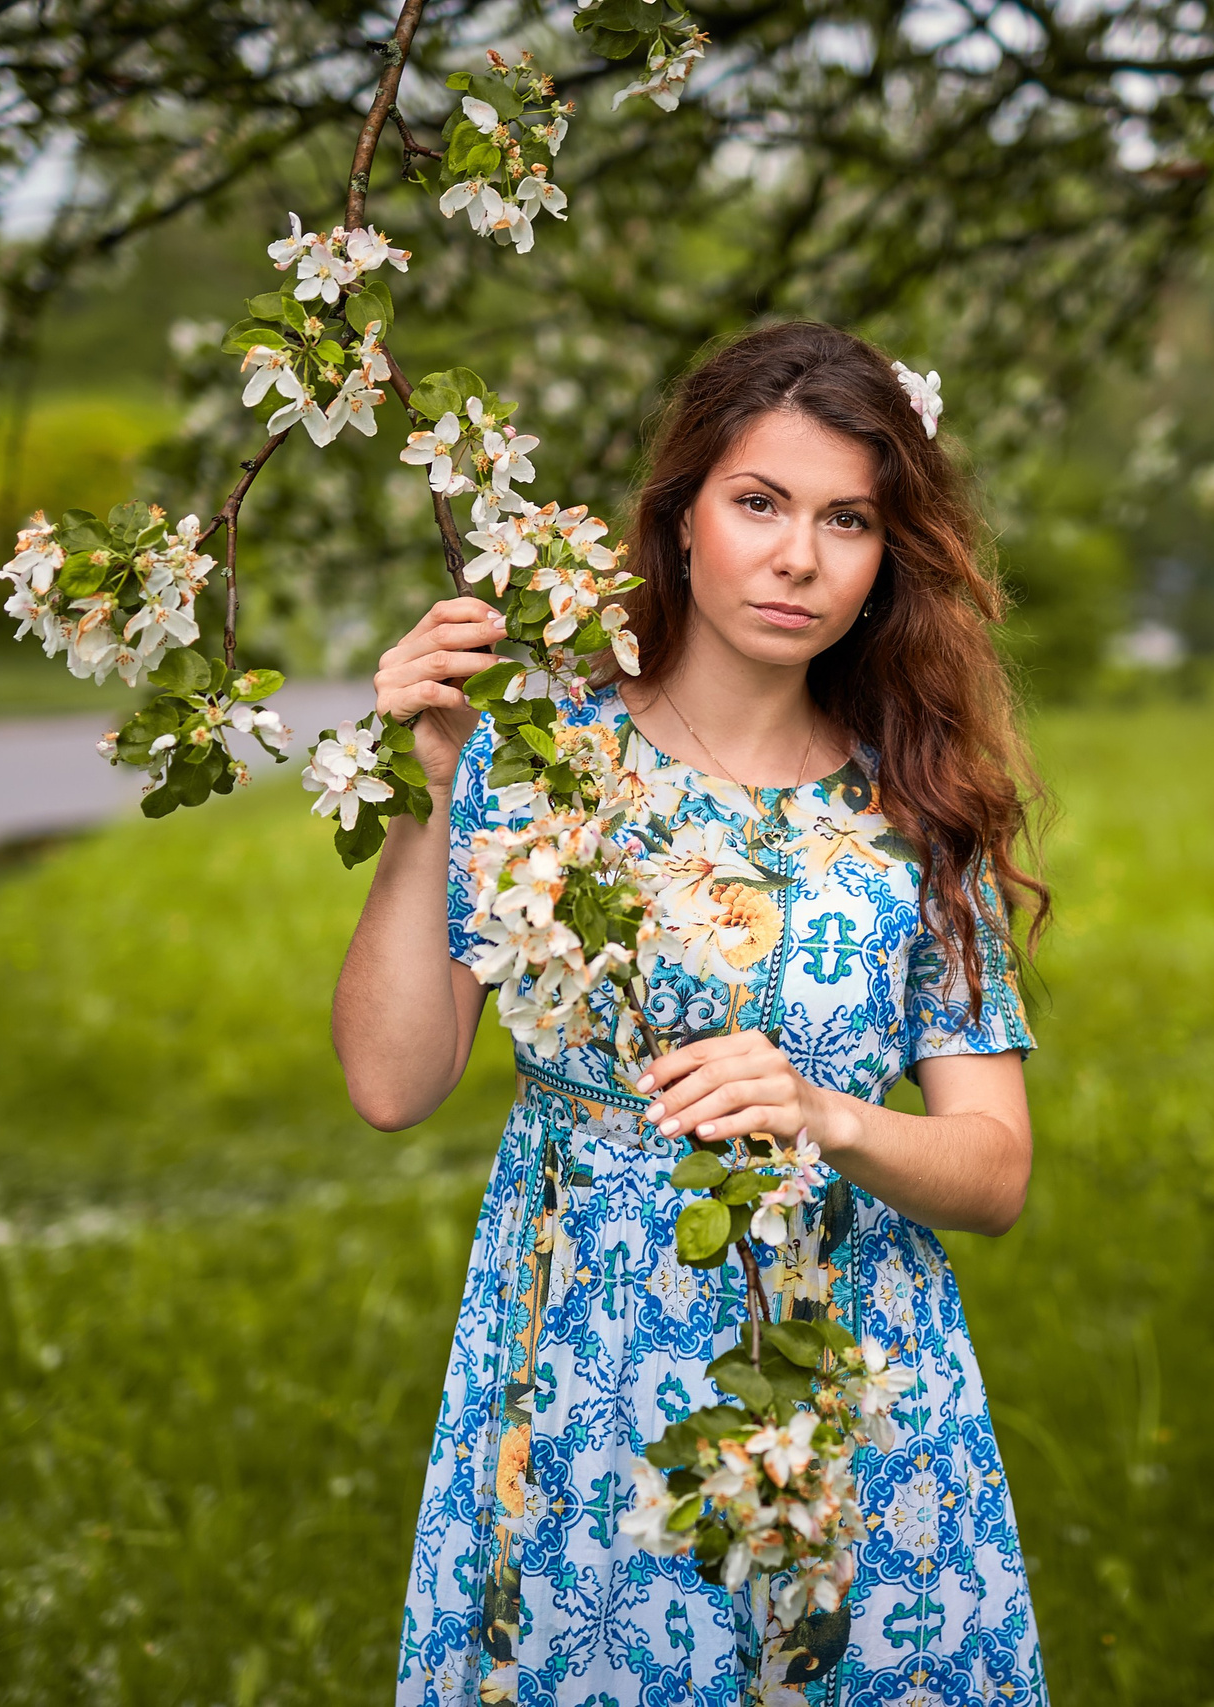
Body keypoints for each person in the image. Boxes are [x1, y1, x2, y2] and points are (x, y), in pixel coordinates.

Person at [334, 319, 1050, 1706]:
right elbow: (391, 1081)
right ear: (681, 518)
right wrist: (429, 791)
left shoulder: (917, 803)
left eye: (848, 519)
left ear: (887, 553)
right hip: (584, 1368)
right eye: (760, 503)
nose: (799, 557)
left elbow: (998, 1169)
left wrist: (828, 1114)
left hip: (851, 1376)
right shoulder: (544, 757)